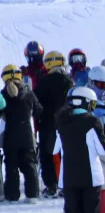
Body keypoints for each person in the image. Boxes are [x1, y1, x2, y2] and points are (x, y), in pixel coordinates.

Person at [54, 87, 105, 213]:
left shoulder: (61, 121)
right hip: (91, 178)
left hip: (68, 178)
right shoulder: (91, 122)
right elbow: (103, 150)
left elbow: (54, 149)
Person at [34, 51, 74, 198]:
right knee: (66, 153)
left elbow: (35, 100)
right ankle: (67, 184)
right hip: (67, 122)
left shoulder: (45, 81)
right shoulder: (69, 81)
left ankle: (51, 185)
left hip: (48, 122)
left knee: (48, 153)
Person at [2, 64, 43, 203]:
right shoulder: (28, 93)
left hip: (10, 135)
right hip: (27, 135)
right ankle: (32, 195)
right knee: (30, 165)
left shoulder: (3, 95)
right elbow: (39, 111)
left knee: (11, 166)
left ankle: (12, 195)